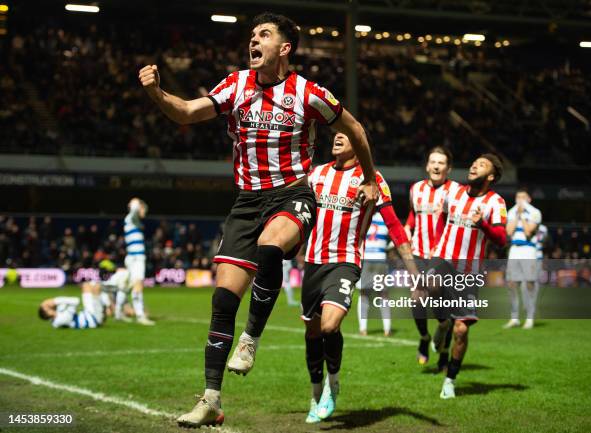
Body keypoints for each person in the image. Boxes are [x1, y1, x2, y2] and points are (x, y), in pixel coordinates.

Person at [140, 13, 377, 427]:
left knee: (271, 245)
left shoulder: (307, 92)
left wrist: (371, 179)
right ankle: (211, 399)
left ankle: (250, 339)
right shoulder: (235, 85)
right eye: (252, 35)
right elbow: (186, 113)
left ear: (284, 49)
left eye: (263, 35)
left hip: (292, 194)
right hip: (247, 202)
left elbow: (354, 127)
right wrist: (157, 93)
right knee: (222, 300)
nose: (253, 40)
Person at [302, 132, 415, 423]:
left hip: (345, 261)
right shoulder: (317, 175)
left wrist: (414, 272)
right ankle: (316, 394)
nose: (338, 136)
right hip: (313, 262)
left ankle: (333, 383)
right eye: (337, 134)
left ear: (361, 146)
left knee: (329, 326)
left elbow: (394, 225)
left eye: (347, 135)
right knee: (313, 332)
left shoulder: (372, 181)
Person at [432, 154, 507, 399]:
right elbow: (442, 218)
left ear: (491, 176)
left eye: (481, 165)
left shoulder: (496, 202)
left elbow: (502, 239)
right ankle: (442, 323)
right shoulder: (452, 193)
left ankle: (450, 381)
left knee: (462, 330)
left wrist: (482, 224)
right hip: (443, 260)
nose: (474, 165)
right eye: (474, 162)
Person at [405, 146, 459, 369]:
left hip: (444, 254)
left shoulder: (456, 191)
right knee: (416, 299)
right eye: (433, 162)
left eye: (441, 162)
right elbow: (412, 216)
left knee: (438, 293)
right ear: (427, 166)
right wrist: (407, 229)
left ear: (448, 168)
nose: (436, 166)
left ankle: (444, 351)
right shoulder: (415, 189)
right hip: (418, 251)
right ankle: (426, 337)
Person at [504, 188, 542, 330]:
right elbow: (509, 231)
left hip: (528, 250)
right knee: (512, 284)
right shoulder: (512, 212)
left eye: (523, 197)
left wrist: (522, 215)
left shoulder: (535, 213)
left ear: (529, 200)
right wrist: (516, 215)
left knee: (529, 284)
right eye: (518, 197)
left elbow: (528, 231)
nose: (520, 200)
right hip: (514, 250)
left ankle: (530, 317)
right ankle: (514, 317)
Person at [117, 197, 154, 326]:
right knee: (138, 285)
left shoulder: (134, 221)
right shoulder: (131, 218)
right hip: (137, 258)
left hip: (132, 257)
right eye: (144, 209)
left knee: (128, 286)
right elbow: (133, 211)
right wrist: (135, 203)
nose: (145, 212)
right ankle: (140, 315)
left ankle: (118, 313)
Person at [38, 281, 108, 329]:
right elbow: (75, 301)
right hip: (93, 318)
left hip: (87, 313)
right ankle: (107, 306)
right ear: (47, 314)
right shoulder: (59, 321)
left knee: (86, 285)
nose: (50, 307)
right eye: (47, 308)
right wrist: (56, 301)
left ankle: (105, 304)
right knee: (96, 288)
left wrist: (59, 303)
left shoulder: (58, 314)